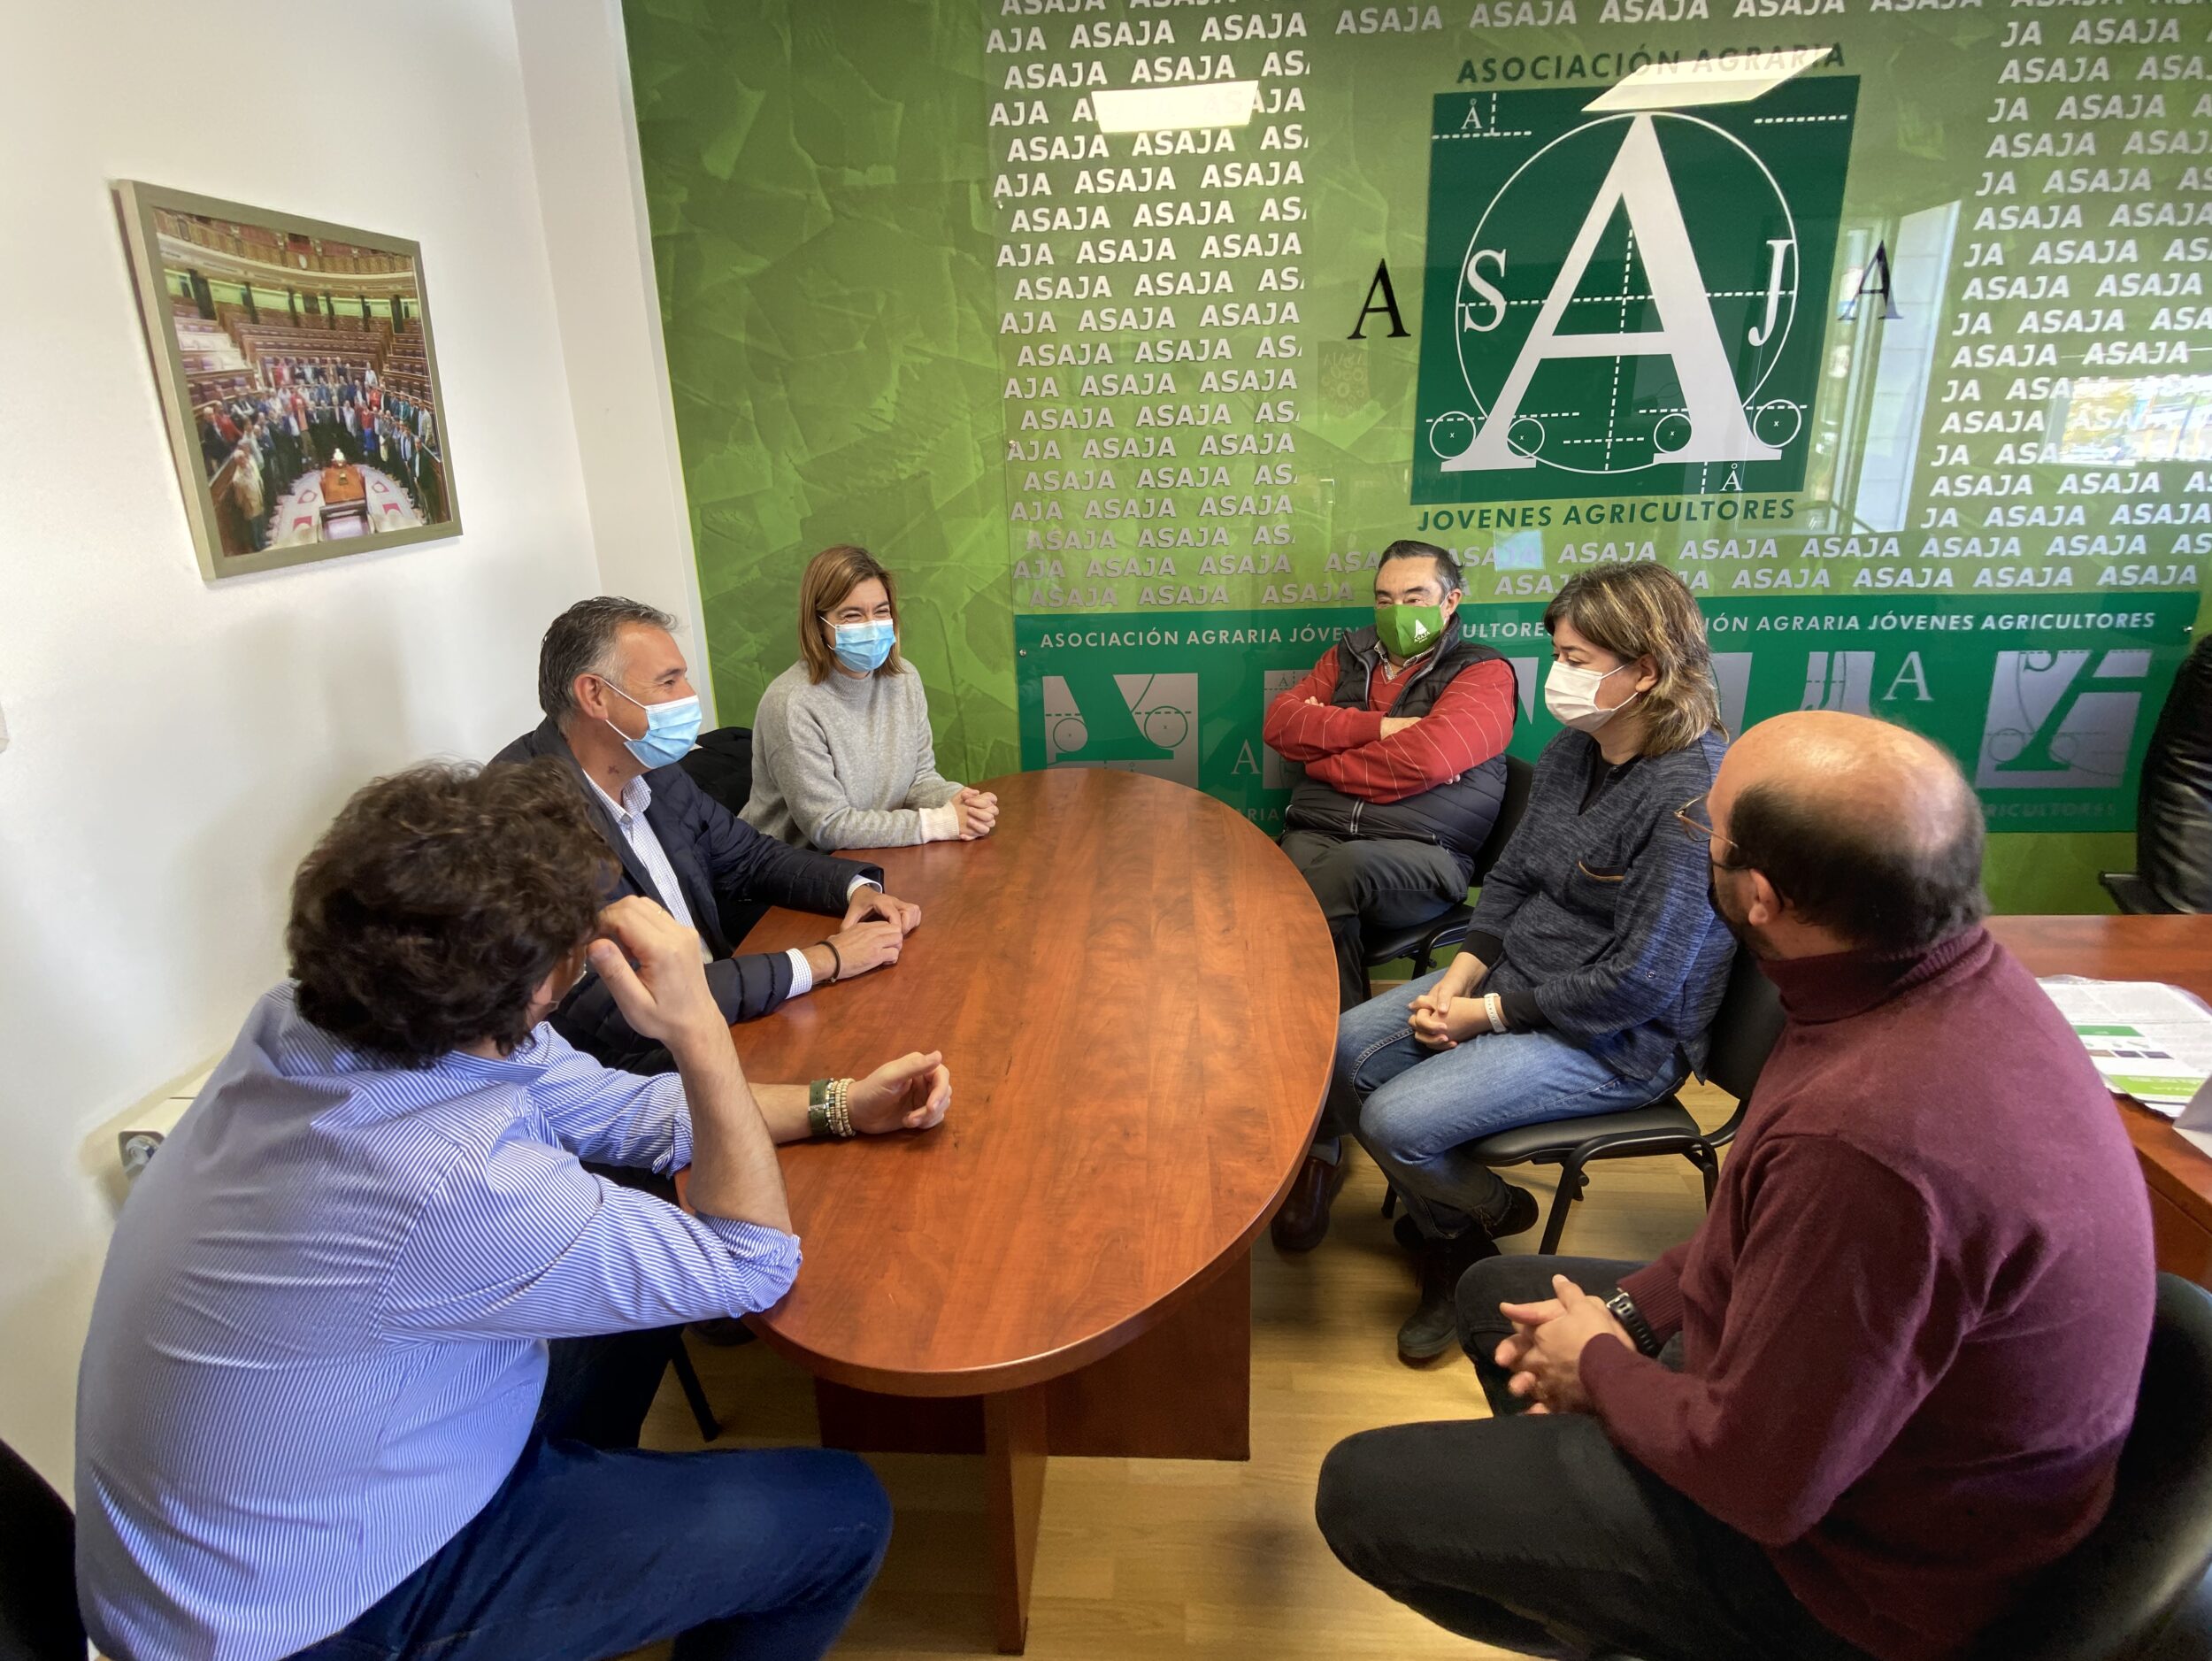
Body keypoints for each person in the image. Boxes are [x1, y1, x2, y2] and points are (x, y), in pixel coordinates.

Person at [1316, 711, 2157, 1661]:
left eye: (1703, 831)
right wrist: (1626, 1318)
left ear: (1759, 896)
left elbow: (1765, 1484)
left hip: (1849, 1580)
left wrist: (1602, 1368)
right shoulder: (1916, 985)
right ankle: (1606, 1572)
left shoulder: (1872, 1143)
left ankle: (1656, 1603)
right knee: (1495, 1296)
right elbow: (1754, 1234)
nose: (1692, 835)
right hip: (1826, 1426)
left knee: (1361, 1490)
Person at [76, 759, 956, 1661]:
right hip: (307, 1614)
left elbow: (628, 1112)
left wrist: (839, 1104)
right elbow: (750, 1262)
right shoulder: (448, 1178)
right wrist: (696, 1026)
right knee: (840, 1515)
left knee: (639, 1257)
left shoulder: (324, 1017)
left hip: (254, 1517)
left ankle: (587, 1548)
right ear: (537, 987)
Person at [1294, 562, 1736, 1362]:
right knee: (1341, 1048)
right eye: (1558, 655)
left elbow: (1641, 981)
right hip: (1514, 981)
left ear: (1645, 670)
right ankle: (1467, 1220)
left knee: (1396, 1120)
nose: (1558, 676)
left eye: (1576, 660)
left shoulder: (1690, 795)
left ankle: (1462, 1241)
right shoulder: (1576, 749)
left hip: (1616, 1039)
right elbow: (1512, 878)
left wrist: (1487, 1014)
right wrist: (1466, 974)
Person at [495, 596, 923, 1072]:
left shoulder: (651, 768)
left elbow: (750, 857)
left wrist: (854, 889)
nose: (688, 695)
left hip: (722, 1009)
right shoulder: (519, 820)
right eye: (668, 682)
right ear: (594, 695)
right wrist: (823, 961)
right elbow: (621, 1004)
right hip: (634, 1071)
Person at [1262, 539, 1517, 1016]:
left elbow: (1429, 759)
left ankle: (1277, 1018)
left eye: (1414, 598)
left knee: (1333, 877)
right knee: (1276, 877)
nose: (1396, 610)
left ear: (1450, 602)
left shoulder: (1483, 672)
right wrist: (1379, 729)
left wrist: (1322, 757)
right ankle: (1336, 1042)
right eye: (1385, 600)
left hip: (1424, 852)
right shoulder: (1346, 657)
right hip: (1319, 832)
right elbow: (1280, 725)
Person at [744, 544, 998, 850]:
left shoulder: (905, 679)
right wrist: (940, 822)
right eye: (852, 615)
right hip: (795, 865)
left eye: (881, 611)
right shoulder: (791, 703)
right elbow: (828, 826)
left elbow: (918, 779)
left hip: (875, 853)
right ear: (819, 624)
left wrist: (959, 800)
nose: (871, 625)